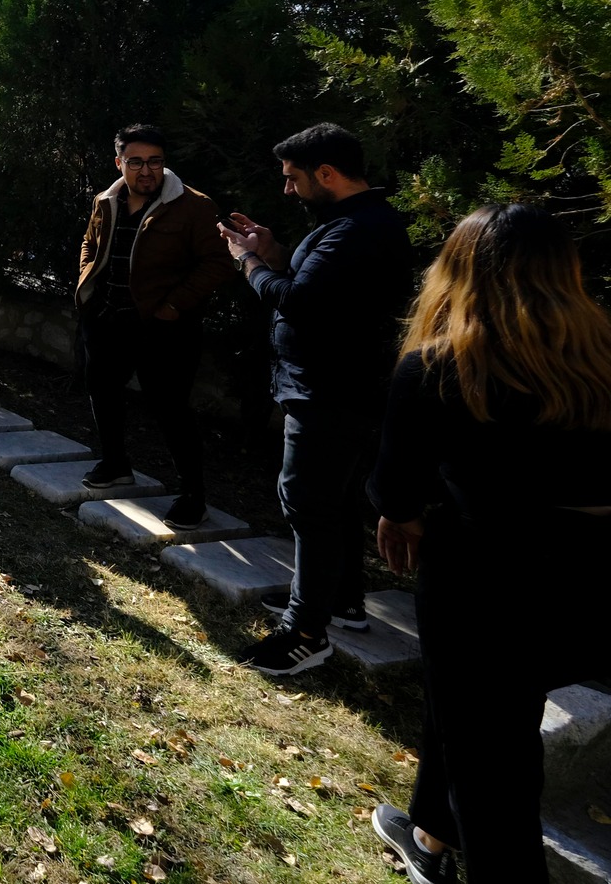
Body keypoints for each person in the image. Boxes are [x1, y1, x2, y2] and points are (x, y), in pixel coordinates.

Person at [366, 205, 611, 884]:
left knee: (494, 771)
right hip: (592, 588)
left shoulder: (441, 368)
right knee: (478, 715)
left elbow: (396, 495)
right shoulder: (602, 358)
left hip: (488, 588)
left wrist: (409, 515)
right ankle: (431, 833)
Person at [219, 122, 414, 676]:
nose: (287, 190)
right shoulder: (346, 224)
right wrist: (272, 249)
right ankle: (340, 601)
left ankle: (306, 632)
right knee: (331, 502)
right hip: (333, 391)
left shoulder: (355, 230)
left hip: (331, 395)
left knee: (308, 503)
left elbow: (299, 303)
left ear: (326, 174)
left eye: (294, 179)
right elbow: (316, 285)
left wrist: (247, 262)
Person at [73, 125, 234, 526]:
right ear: (119, 162)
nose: (147, 171)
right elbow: (90, 243)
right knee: (102, 392)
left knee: (171, 410)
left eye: (155, 161)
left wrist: (173, 306)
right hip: (106, 319)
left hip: (163, 329)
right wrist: (86, 285)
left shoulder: (192, 206)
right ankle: (115, 464)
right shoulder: (106, 201)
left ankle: (193, 496)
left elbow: (216, 262)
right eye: (137, 162)